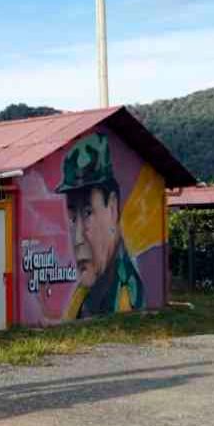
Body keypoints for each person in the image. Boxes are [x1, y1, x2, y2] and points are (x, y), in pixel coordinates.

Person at [58, 133, 144, 318]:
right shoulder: (83, 291)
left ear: (113, 209)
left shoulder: (127, 295)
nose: (78, 238)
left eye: (88, 213)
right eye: (72, 219)